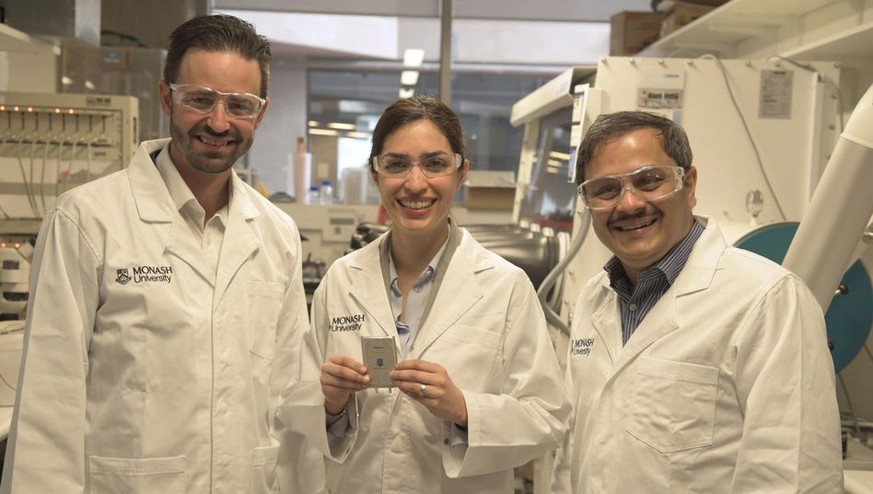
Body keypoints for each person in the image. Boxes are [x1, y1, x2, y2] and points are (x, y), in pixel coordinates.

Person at [1, 14, 313, 493]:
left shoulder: (278, 234)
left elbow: (289, 394)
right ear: (168, 97)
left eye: (239, 105)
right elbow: (50, 397)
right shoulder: (87, 219)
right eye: (201, 99)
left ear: (261, 113)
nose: (219, 122)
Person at [279, 95, 569, 493]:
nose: (415, 184)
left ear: (460, 172)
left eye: (434, 164)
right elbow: (295, 398)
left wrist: (465, 409)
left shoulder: (506, 286)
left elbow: (548, 417)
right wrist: (328, 403)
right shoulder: (342, 279)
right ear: (376, 174)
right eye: (396, 164)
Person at [550, 110, 843, 493]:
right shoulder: (595, 296)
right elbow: (574, 452)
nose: (629, 204)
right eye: (605, 189)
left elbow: (795, 475)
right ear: (587, 202)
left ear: (688, 184)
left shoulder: (768, 299)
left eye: (649, 180)